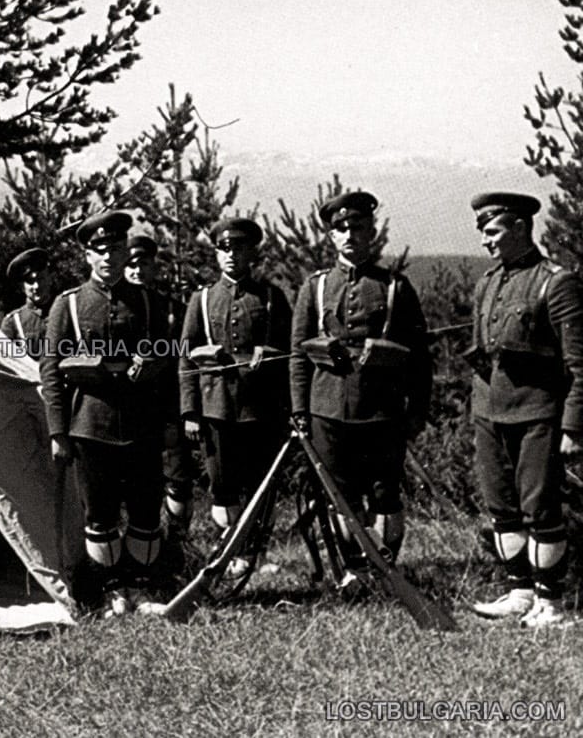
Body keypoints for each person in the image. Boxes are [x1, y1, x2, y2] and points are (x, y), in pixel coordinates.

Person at [290, 192, 431, 577]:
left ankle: (385, 569)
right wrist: (300, 411)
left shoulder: (395, 287)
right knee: (341, 497)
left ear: (371, 232)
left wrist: (417, 411)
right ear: (331, 236)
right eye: (340, 229)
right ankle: (353, 570)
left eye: (357, 227)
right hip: (327, 410)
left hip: (381, 411)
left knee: (385, 494)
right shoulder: (315, 288)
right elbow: (298, 356)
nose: (349, 234)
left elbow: (420, 358)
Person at [39, 211, 169, 616]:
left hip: (142, 421)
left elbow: (167, 355)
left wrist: (152, 364)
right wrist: (59, 433)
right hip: (90, 424)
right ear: (87, 256)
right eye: (100, 251)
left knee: (146, 508)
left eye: (115, 249)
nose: (109, 257)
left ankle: (141, 586)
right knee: (101, 513)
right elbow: (50, 371)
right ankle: (114, 590)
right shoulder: (70, 305)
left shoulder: (148, 301)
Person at [465, 192, 583, 628]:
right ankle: (520, 593)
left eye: (492, 231)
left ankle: (550, 605)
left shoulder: (556, 282)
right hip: (490, 414)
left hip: (538, 415)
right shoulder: (488, 283)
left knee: (541, 511)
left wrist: (573, 426)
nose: (485, 242)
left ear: (519, 228)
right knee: (503, 508)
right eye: (482, 233)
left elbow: (579, 363)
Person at [179, 218, 292, 573]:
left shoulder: (272, 297)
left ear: (252, 253)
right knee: (223, 484)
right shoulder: (202, 299)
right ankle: (232, 551)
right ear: (216, 254)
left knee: (262, 482)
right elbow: (186, 357)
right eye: (224, 249)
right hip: (218, 408)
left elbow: (291, 352)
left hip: (262, 407)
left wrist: (269, 352)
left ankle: (258, 554)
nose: (231, 255)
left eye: (239, 248)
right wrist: (190, 411)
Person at [124, 234, 200, 540]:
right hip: (129, 412)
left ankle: (179, 546)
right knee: (137, 486)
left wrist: (184, 410)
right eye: (130, 265)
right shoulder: (114, 309)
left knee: (178, 483)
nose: (136, 270)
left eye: (143, 264)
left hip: (168, 407)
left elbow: (187, 362)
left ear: (154, 267)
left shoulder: (172, 309)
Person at [0, 248, 54, 360]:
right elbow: (6, 360)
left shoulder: (68, 309)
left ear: (49, 278)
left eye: (41, 279)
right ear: (21, 287)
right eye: (30, 282)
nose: (36, 286)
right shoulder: (13, 323)